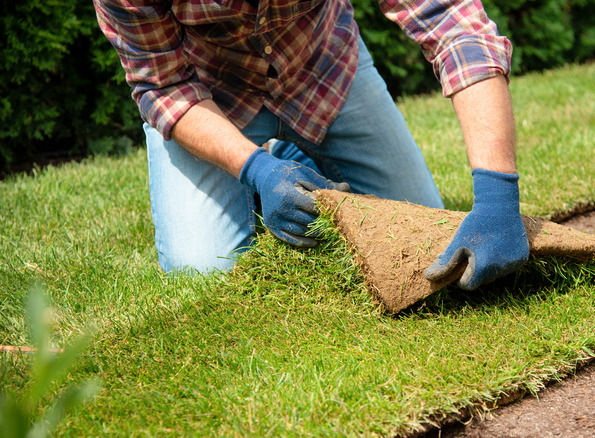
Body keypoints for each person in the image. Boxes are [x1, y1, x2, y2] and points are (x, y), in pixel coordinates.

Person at [94, 0, 529, 290]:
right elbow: (165, 85)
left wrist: (497, 193)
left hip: (321, 67)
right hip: (208, 95)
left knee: (423, 243)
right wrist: (254, 169)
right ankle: (263, 170)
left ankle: (293, 158)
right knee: (204, 274)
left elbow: (452, 19)